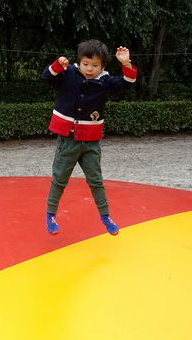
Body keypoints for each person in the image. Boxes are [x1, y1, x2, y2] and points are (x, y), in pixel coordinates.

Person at [42, 40, 137, 236]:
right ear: (79, 62)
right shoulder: (68, 73)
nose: (89, 69)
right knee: (59, 180)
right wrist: (57, 65)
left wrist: (126, 64)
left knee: (96, 181)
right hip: (68, 140)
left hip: (91, 142)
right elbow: (46, 77)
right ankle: (50, 215)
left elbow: (126, 84)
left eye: (95, 65)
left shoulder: (105, 81)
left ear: (103, 66)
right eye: (86, 64)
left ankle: (105, 216)